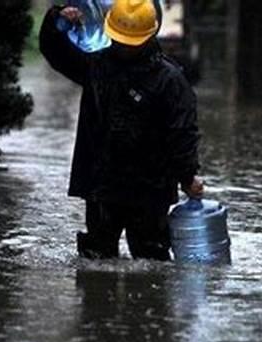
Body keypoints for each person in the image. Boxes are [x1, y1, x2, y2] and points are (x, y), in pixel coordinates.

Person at [40, 0, 203, 260]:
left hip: (147, 191)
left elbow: (182, 133)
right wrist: (56, 21)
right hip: (105, 188)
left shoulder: (170, 80)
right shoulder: (95, 67)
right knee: (99, 262)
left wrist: (187, 176)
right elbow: (56, 52)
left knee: (149, 262)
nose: (125, 47)